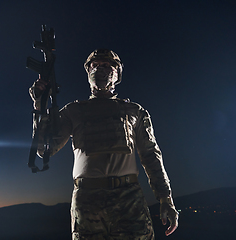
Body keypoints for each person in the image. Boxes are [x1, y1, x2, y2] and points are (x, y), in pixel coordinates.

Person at [30, 49, 178, 240]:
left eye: (107, 65)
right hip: (87, 201)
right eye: (95, 65)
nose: (100, 69)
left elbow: (151, 156)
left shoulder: (134, 112)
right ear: (88, 72)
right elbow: (44, 150)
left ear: (118, 74)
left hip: (128, 200)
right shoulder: (73, 111)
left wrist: (166, 199)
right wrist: (39, 105)